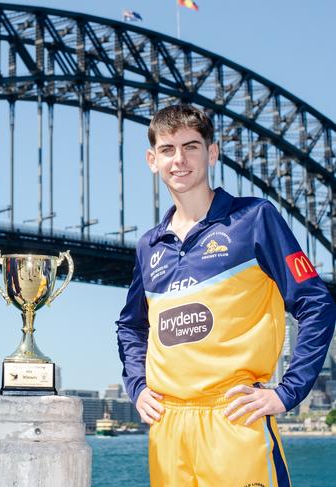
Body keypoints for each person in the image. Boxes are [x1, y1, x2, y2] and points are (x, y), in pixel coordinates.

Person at [116, 104, 335, 486]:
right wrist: (137, 386)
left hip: (234, 420)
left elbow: (316, 302)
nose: (179, 160)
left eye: (191, 146)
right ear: (152, 160)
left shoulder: (254, 219)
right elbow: (130, 326)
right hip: (168, 427)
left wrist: (287, 392)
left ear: (212, 153)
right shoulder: (149, 246)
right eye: (167, 150)